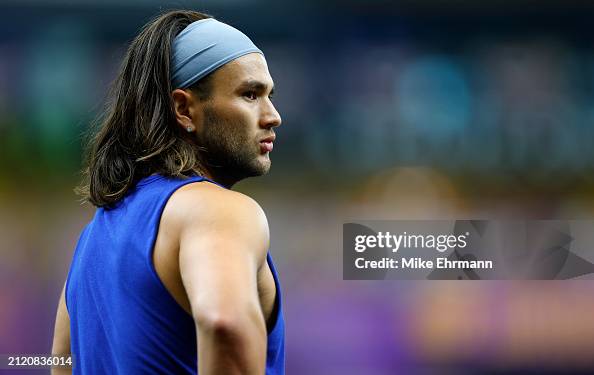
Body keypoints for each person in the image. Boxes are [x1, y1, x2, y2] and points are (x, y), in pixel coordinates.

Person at [51, 9, 284, 375]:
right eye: (250, 94)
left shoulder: (90, 242)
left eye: (269, 95)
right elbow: (225, 323)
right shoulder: (219, 211)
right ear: (184, 108)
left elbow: (61, 363)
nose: (273, 115)